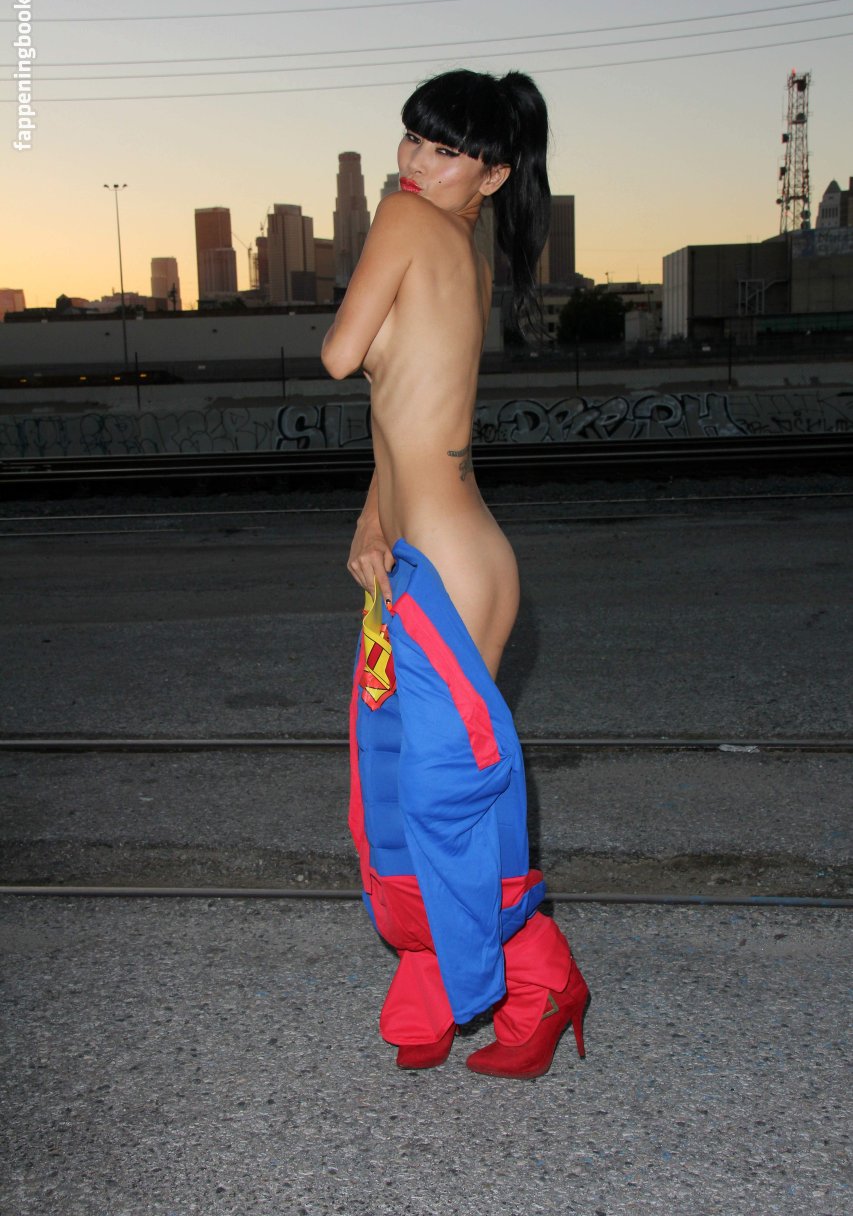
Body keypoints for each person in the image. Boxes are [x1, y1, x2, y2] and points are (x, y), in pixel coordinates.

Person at [321, 69, 589, 1079]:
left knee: (439, 802)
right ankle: (437, 982)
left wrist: (381, 227)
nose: (415, 163)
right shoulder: (464, 250)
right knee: (401, 789)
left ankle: (540, 975)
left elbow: (342, 355)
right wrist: (370, 519)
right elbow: (411, 407)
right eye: (411, 140)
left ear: (493, 173)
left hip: (448, 563)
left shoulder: (405, 223)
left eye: (444, 151)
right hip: (430, 553)